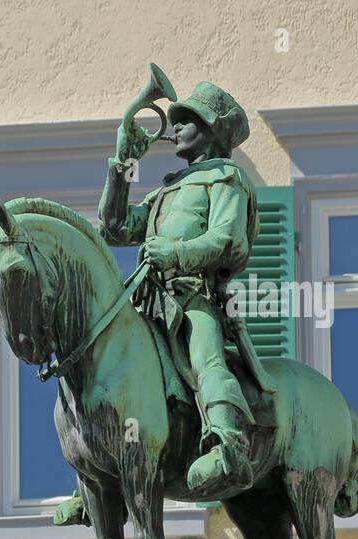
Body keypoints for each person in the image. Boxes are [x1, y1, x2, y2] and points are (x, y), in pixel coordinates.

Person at [98, 80, 272, 495]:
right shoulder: (166, 189)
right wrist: (123, 161)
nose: (174, 128)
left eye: (186, 120)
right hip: (147, 300)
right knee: (106, 362)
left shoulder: (226, 178)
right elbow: (115, 228)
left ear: (210, 130)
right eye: (175, 120)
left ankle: (228, 446)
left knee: (206, 358)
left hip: (194, 296)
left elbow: (229, 241)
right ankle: (96, 463)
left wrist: (174, 253)